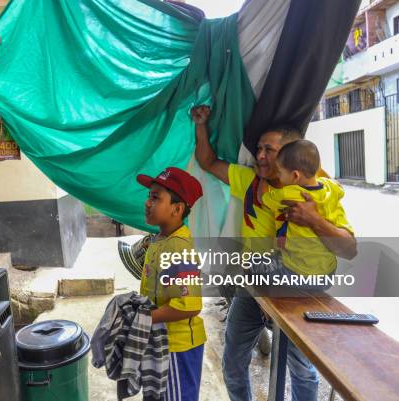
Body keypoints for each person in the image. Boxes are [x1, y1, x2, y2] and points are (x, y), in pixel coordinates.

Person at [191, 106, 356, 401]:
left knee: (301, 368)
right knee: (233, 362)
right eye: (259, 149)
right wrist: (201, 124)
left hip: (296, 292)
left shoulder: (319, 192)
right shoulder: (249, 180)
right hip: (254, 288)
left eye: (270, 149)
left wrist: (314, 220)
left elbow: (349, 249)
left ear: (289, 155)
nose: (262, 156)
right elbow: (207, 161)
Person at [137, 166, 206, 401]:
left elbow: (189, 305)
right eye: (149, 196)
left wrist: (143, 319)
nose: (148, 202)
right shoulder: (160, 239)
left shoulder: (178, 247)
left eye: (156, 197)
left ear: (177, 209)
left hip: (177, 348)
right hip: (160, 341)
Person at [260, 139, 354, 280]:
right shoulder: (330, 188)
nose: (278, 176)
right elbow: (339, 187)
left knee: (253, 266)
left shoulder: (289, 193)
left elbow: (263, 198)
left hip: (296, 273)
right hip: (327, 275)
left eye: (279, 172)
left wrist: (263, 179)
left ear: (295, 176)